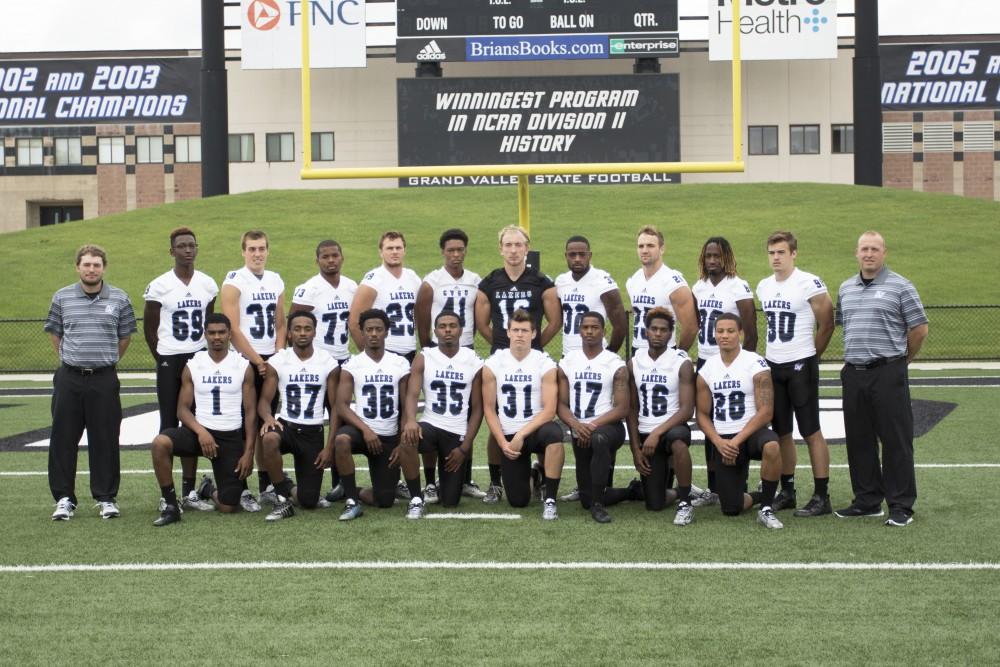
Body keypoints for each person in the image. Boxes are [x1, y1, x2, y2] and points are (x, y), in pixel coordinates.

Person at [835, 231, 928, 527]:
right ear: (856, 253)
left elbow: (919, 329)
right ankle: (867, 501)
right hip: (854, 372)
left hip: (888, 371)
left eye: (875, 249)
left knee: (895, 440)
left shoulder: (901, 286)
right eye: (864, 249)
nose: (869, 254)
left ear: (884, 253)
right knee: (859, 439)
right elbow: (844, 326)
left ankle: (901, 505)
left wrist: (902, 360)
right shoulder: (846, 287)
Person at [46, 244, 137, 521]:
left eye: (96, 265)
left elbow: (125, 337)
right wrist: (71, 359)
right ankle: (64, 498)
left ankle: (106, 497)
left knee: (106, 439)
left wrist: (103, 361)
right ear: (78, 267)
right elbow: (55, 334)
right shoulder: (62, 297)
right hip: (69, 378)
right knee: (63, 439)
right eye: (86, 264)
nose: (91, 269)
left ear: (104, 268)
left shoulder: (120, 298)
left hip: (104, 379)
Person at [476, 225, 561, 503]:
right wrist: (503, 343)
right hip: (502, 359)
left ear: (527, 248)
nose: (513, 250)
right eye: (508, 245)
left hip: (530, 358)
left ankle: (540, 473)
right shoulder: (490, 282)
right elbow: (482, 324)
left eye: (518, 245)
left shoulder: (541, 281)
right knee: (498, 422)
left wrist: (535, 345)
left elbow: (555, 321)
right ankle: (495, 481)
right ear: (500, 248)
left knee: (535, 415)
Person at [149, 313, 257, 525]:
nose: (217, 337)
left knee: (228, 505)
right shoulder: (194, 364)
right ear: (205, 335)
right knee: (160, 443)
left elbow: (251, 413)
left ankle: (208, 489)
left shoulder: (242, 365)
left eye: (222, 332)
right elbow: (182, 410)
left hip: (229, 436)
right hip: (199, 433)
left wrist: (249, 451)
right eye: (212, 333)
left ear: (229, 335)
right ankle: (171, 505)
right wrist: (201, 432)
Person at [755, 231, 835, 516]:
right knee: (782, 432)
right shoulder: (763, 286)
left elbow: (827, 323)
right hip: (774, 365)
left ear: (793, 253)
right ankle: (787, 490)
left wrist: (812, 355)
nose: (775, 257)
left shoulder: (807, 282)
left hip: (801, 363)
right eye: (771, 252)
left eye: (781, 252)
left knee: (811, 430)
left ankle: (821, 494)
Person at [143, 227, 218, 513]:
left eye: (191, 245)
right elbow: (150, 327)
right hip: (170, 357)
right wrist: (161, 356)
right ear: (172, 251)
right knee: (168, 424)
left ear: (196, 249)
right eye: (181, 246)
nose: (187, 250)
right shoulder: (159, 285)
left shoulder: (208, 284)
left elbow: (211, 325)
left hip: (198, 358)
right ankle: (168, 493)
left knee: (195, 422)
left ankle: (189, 491)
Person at [414, 229, 484, 501]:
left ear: (465, 251)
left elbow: (478, 316)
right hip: (437, 350)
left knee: (465, 418)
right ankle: (430, 482)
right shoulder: (431, 281)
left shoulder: (475, 281)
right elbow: (422, 320)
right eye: (450, 250)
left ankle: (465, 478)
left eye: (460, 250)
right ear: (442, 252)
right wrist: (429, 348)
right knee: (434, 414)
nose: (455, 255)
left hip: (465, 351)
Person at [695, 313, 784, 529]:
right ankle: (758, 495)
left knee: (772, 445)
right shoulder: (707, 368)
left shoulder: (754, 362)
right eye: (720, 331)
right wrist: (719, 442)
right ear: (714, 334)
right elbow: (702, 415)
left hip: (750, 434)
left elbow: (766, 412)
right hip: (724, 440)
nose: (725, 336)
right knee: (731, 508)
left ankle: (767, 507)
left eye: (730, 331)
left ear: (740, 333)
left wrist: (736, 441)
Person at [333, 309, 421, 520]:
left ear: (386, 332)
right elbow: (341, 405)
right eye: (369, 329)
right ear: (362, 333)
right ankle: (352, 501)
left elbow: (404, 404)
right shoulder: (352, 364)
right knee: (342, 440)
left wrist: (401, 441)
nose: (373, 334)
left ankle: (354, 489)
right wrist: (365, 430)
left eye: (378, 329)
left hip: (388, 436)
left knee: (385, 500)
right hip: (362, 432)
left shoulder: (399, 363)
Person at [220, 229, 286, 509]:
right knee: (243, 424)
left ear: (268, 250)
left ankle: (265, 484)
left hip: (271, 359)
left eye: (261, 249)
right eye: (252, 249)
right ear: (243, 251)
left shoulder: (275, 279)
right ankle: (242, 486)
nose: (257, 254)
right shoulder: (234, 280)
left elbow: (281, 323)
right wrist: (257, 360)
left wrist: (278, 356)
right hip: (244, 361)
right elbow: (232, 328)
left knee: (265, 422)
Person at [289, 239, 357, 502]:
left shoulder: (352, 286)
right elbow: (295, 325)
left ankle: (341, 480)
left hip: (343, 361)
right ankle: (312, 468)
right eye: (325, 256)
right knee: (316, 418)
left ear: (342, 258)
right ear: (316, 260)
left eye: (335, 255)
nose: (331, 260)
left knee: (341, 417)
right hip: (317, 364)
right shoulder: (309, 289)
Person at [690, 237, 756, 508]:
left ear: (726, 257)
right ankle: (713, 486)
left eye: (717, 256)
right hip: (707, 362)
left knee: (737, 421)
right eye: (708, 256)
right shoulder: (698, 287)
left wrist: (745, 363)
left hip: (733, 362)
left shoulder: (737, 286)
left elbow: (750, 331)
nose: (712, 260)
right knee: (709, 425)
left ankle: (742, 482)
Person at [256, 311, 340, 521]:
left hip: (313, 432)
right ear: (290, 333)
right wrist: (268, 418)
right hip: (287, 427)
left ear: (314, 332)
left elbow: (335, 408)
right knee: (269, 438)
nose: (302, 333)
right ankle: (282, 500)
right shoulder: (279, 360)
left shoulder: (327, 361)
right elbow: (264, 402)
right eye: (297, 329)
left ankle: (287, 484)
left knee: (309, 501)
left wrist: (329, 447)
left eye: (307, 328)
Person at [482, 309, 564, 520]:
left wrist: (521, 435)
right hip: (509, 432)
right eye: (515, 330)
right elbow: (489, 409)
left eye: (525, 330)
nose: (520, 334)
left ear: (533, 334)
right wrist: (503, 442)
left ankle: (550, 500)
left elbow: (549, 410)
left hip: (536, 429)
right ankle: (535, 474)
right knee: (518, 501)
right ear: (508, 332)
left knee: (555, 436)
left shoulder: (544, 362)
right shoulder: (493, 363)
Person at [402, 310, 485, 509]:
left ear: (461, 330)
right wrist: (411, 420)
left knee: (450, 502)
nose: (447, 330)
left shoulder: (473, 360)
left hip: (456, 433)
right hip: (431, 424)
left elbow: (478, 408)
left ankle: (443, 484)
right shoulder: (425, 357)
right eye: (442, 326)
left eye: (452, 326)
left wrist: (464, 447)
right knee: (407, 440)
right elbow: (412, 395)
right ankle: (416, 497)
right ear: (435, 331)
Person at [556, 312, 630, 523]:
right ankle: (632, 491)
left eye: (594, 327)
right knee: (585, 498)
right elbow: (561, 404)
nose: (589, 331)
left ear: (603, 331)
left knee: (598, 439)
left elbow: (622, 408)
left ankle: (599, 507)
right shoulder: (569, 361)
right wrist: (576, 425)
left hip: (608, 427)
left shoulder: (614, 362)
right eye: (585, 327)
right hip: (579, 428)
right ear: (579, 331)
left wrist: (591, 425)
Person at [626, 308, 696, 526]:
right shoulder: (635, 362)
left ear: (670, 334)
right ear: (645, 332)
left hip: (671, 428)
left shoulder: (680, 362)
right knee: (654, 504)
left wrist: (657, 432)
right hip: (646, 432)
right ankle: (678, 491)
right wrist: (635, 449)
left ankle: (685, 502)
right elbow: (632, 409)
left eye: (663, 330)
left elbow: (687, 410)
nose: (657, 333)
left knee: (679, 443)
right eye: (653, 329)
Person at [349, 231, 421, 363]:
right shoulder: (373, 280)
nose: (394, 252)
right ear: (381, 252)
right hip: (384, 350)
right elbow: (354, 322)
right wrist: (369, 355)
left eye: (398, 248)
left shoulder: (413, 278)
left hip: (410, 350)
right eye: (389, 248)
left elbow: (417, 316)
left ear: (404, 251)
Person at [626, 225, 698, 354]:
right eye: (641, 246)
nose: (645, 250)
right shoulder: (634, 280)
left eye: (650, 246)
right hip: (637, 353)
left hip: (665, 353)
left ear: (662, 249)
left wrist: (678, 355)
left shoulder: (674, 283)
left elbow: (691, 327)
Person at [555, 236, 628, 356]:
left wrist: (609, 353)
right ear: (566, 256)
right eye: (572, 255)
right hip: (567, 356)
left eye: (582, 254)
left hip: (595, 355)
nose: (577, 259)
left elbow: (620, 325)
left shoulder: (603, 282)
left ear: (590, 255)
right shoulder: (561, 281)